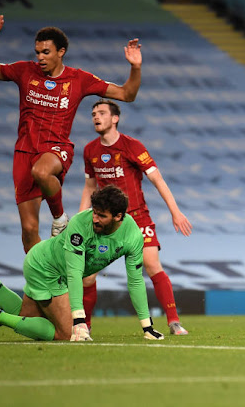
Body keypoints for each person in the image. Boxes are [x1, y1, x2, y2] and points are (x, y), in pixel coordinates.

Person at [0, 14, 144, 253]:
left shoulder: (79, 79)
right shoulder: (25, 71)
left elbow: (127, 94)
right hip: (24, 152)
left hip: (56, 149)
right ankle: (43, 279)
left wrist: (135, 67)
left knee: (41, 171)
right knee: (29, 229)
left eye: (46, 52)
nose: (40, 58)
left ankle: (60, 218)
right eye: (38, 52)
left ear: (61, 52)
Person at [0, 185, 163, 342]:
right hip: (46, 268)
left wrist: (147, 326)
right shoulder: (80, 224)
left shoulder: (133, 236)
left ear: (118, 216)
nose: (95, 218)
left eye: (101, 215)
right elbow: (75, 273)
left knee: (27, 317)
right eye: (94, 212)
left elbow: (135, 281)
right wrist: (79, 321)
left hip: (48, 268)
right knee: (64, 334)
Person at [79, 99, 193, 335]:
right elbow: (90, 186)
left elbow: (157, 179)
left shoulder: (132, 146)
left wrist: (175, 211)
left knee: (152, 264)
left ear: (115, 118)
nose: (96, 117)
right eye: (93, 114)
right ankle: (84, 328)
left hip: (137, 219)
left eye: (101, 113)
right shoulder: (90, 150)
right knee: (87, 277)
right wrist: (82, 218)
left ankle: (173, 322)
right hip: (106, 224)